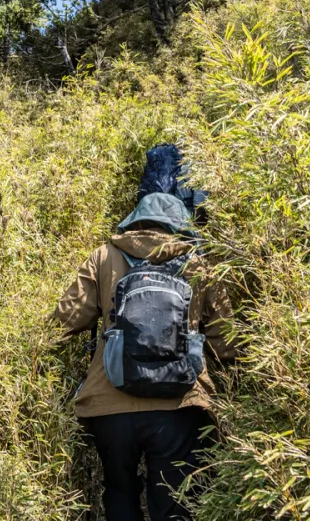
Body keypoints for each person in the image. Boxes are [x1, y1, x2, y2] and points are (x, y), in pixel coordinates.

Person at [54, 192, 235, 521]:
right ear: (182, 225)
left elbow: (65, 322)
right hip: (179, 406)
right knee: (175, 500)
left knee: (119, 491)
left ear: (134, 221)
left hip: (110, 403)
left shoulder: (103, 256)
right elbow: (228, 343)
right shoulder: (199, 263)